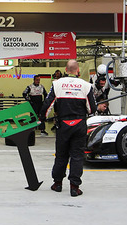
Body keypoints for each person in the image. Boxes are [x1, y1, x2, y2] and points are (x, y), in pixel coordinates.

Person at [40, 59, 96, 197]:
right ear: (77, 71)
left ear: (66, 70)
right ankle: (74, 187)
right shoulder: (86, 86)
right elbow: (91, 109)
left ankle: (57, 183)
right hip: (79, 125)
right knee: (77, 156)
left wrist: (42, 118)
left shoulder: (57, 84)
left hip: (63, 125)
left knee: (61, 155)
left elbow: (48, 104)